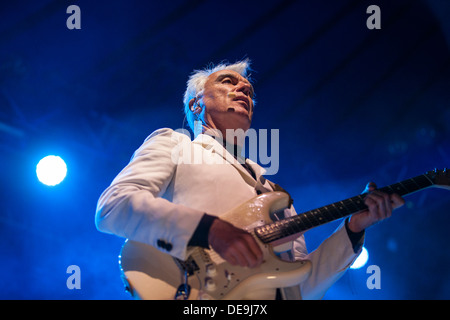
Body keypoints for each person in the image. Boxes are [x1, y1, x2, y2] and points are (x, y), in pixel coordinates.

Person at [95, 59, 405, 300]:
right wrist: (208, 230)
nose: (244, 90)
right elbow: (114, 206)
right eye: (228, 82)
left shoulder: (274, 191)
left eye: (249, 90)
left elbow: (299, 287)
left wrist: (351, 230)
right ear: (196, 104)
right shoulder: (175, 144)